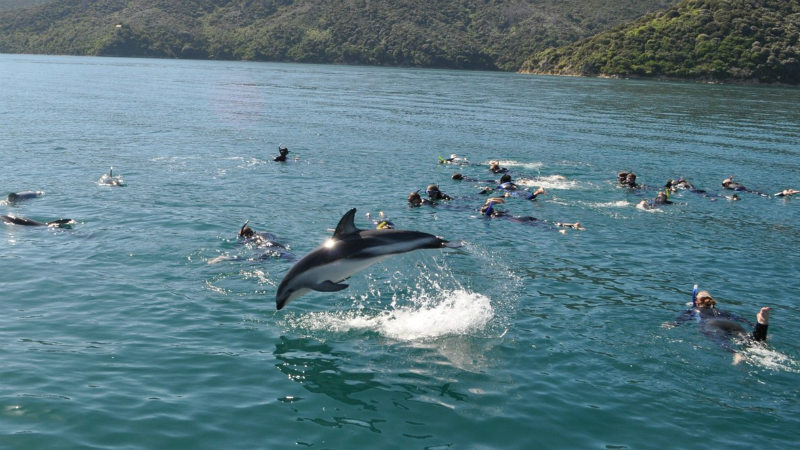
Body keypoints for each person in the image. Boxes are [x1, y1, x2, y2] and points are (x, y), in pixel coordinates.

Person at [668, 289, 770, 353]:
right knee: (753, 342)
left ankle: (735, 353)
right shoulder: (723, 311)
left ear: (697, 302)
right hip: (730, 323)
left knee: (722, 341)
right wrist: (752, 324)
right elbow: (742, 319)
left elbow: (681, 319)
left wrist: (672, 324)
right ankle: (761, 324)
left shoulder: (694, 310)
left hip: (711, 324)